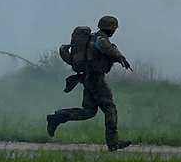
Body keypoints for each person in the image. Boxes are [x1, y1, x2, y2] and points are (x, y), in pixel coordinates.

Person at [47, 15, 132, 151]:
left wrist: (116, 57)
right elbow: (102, 46)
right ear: (112, 29)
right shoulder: (100, 39)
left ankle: (57, 117)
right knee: (110, 108)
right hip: (95, 79)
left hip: (88, 78)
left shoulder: (91, 39)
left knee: (89, 111)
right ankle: (113, 141)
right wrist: (119, 56)